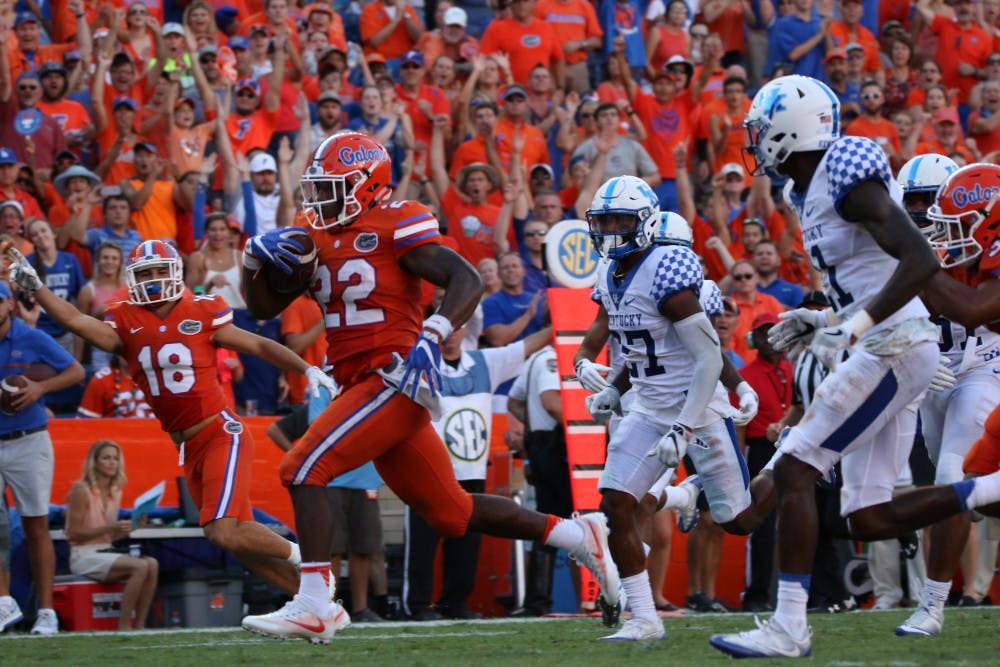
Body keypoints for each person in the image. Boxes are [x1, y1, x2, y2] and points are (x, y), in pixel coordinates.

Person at [237, 131, 619, 644]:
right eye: (318, 189)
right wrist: (253, 267)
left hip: (392, 377)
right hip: (361, 385)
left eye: (334, 189)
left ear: (368, 187)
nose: (320, 201)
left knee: (302, 466)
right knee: (452, 513)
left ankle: (315, 602)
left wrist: (433, 335)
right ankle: (579, 535)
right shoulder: (314, 234)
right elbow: (263, 309)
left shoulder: (397, 221)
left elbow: (465, 279)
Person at [708, 74, 1000, 658]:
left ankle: (789, 625)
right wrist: (822, 319)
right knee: (865, 519)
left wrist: (856, 327)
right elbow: (862, 278)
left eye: (763, 129)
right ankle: (991, 488)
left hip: (893, 345)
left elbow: (917, 258)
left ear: (792, 128)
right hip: (884, 341)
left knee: (794, 470)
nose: (757, 139)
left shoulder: (845, 171)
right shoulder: (803, 188)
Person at [6, 240, 337, 600]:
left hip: (220, 433)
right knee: (239, 542)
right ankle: (315, 604)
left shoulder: (203, 310)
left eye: (159, 271)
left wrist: (305, 367)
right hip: (188, 445)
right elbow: (74, 320)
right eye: (145, 273)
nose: (152, 280)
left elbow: (257, 345)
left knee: (222, 532)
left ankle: (310, 562)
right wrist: (36, 286)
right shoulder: (125, 319)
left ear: (175, 273)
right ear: (132, 279)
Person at [895, 162, 1000, 636]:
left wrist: (920, 266)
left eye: (929, 202)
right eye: (912, 203)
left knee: (950, 482)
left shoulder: (982, 249)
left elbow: (974, 310)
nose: (924, 214)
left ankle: (932, 606)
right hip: (933, 376)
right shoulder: (937, 242)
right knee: (962, 496)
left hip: (982, 365)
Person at [0, 279, 85, 635]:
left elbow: (77, 371)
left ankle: (47, 610)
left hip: (28, 439)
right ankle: (4, 602)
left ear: (10, 305)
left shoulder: (29, 336)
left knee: (36, 526)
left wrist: (39, 388)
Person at [64, 440, 159, 630]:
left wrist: (132, 528)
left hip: (105, 550)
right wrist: (109, 528)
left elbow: (108, 538)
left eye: (115, 459)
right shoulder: (80, 490)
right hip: (83, 555)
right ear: (95, 462)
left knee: (152, 564)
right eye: (106, 458)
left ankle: (140, 626)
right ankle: (124, 626)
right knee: (140, 566)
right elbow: (72, 533)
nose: (112, 462)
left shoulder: (116, 492)